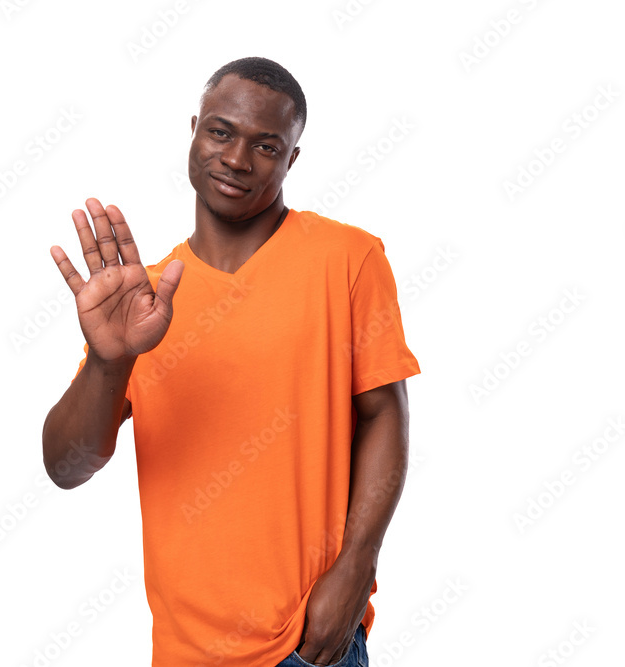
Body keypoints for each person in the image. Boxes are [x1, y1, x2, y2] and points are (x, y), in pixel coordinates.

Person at [43, 56, 420, 667]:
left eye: (266, 145)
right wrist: (108, 363)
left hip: (307, 642)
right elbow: (66, 466)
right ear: (194, 131)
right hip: (184, 652)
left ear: (292, 158)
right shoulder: (145, 302)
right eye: (221, 132)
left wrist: (356, 569)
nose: (238, 160)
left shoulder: (348, 258)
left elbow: (385, 414)